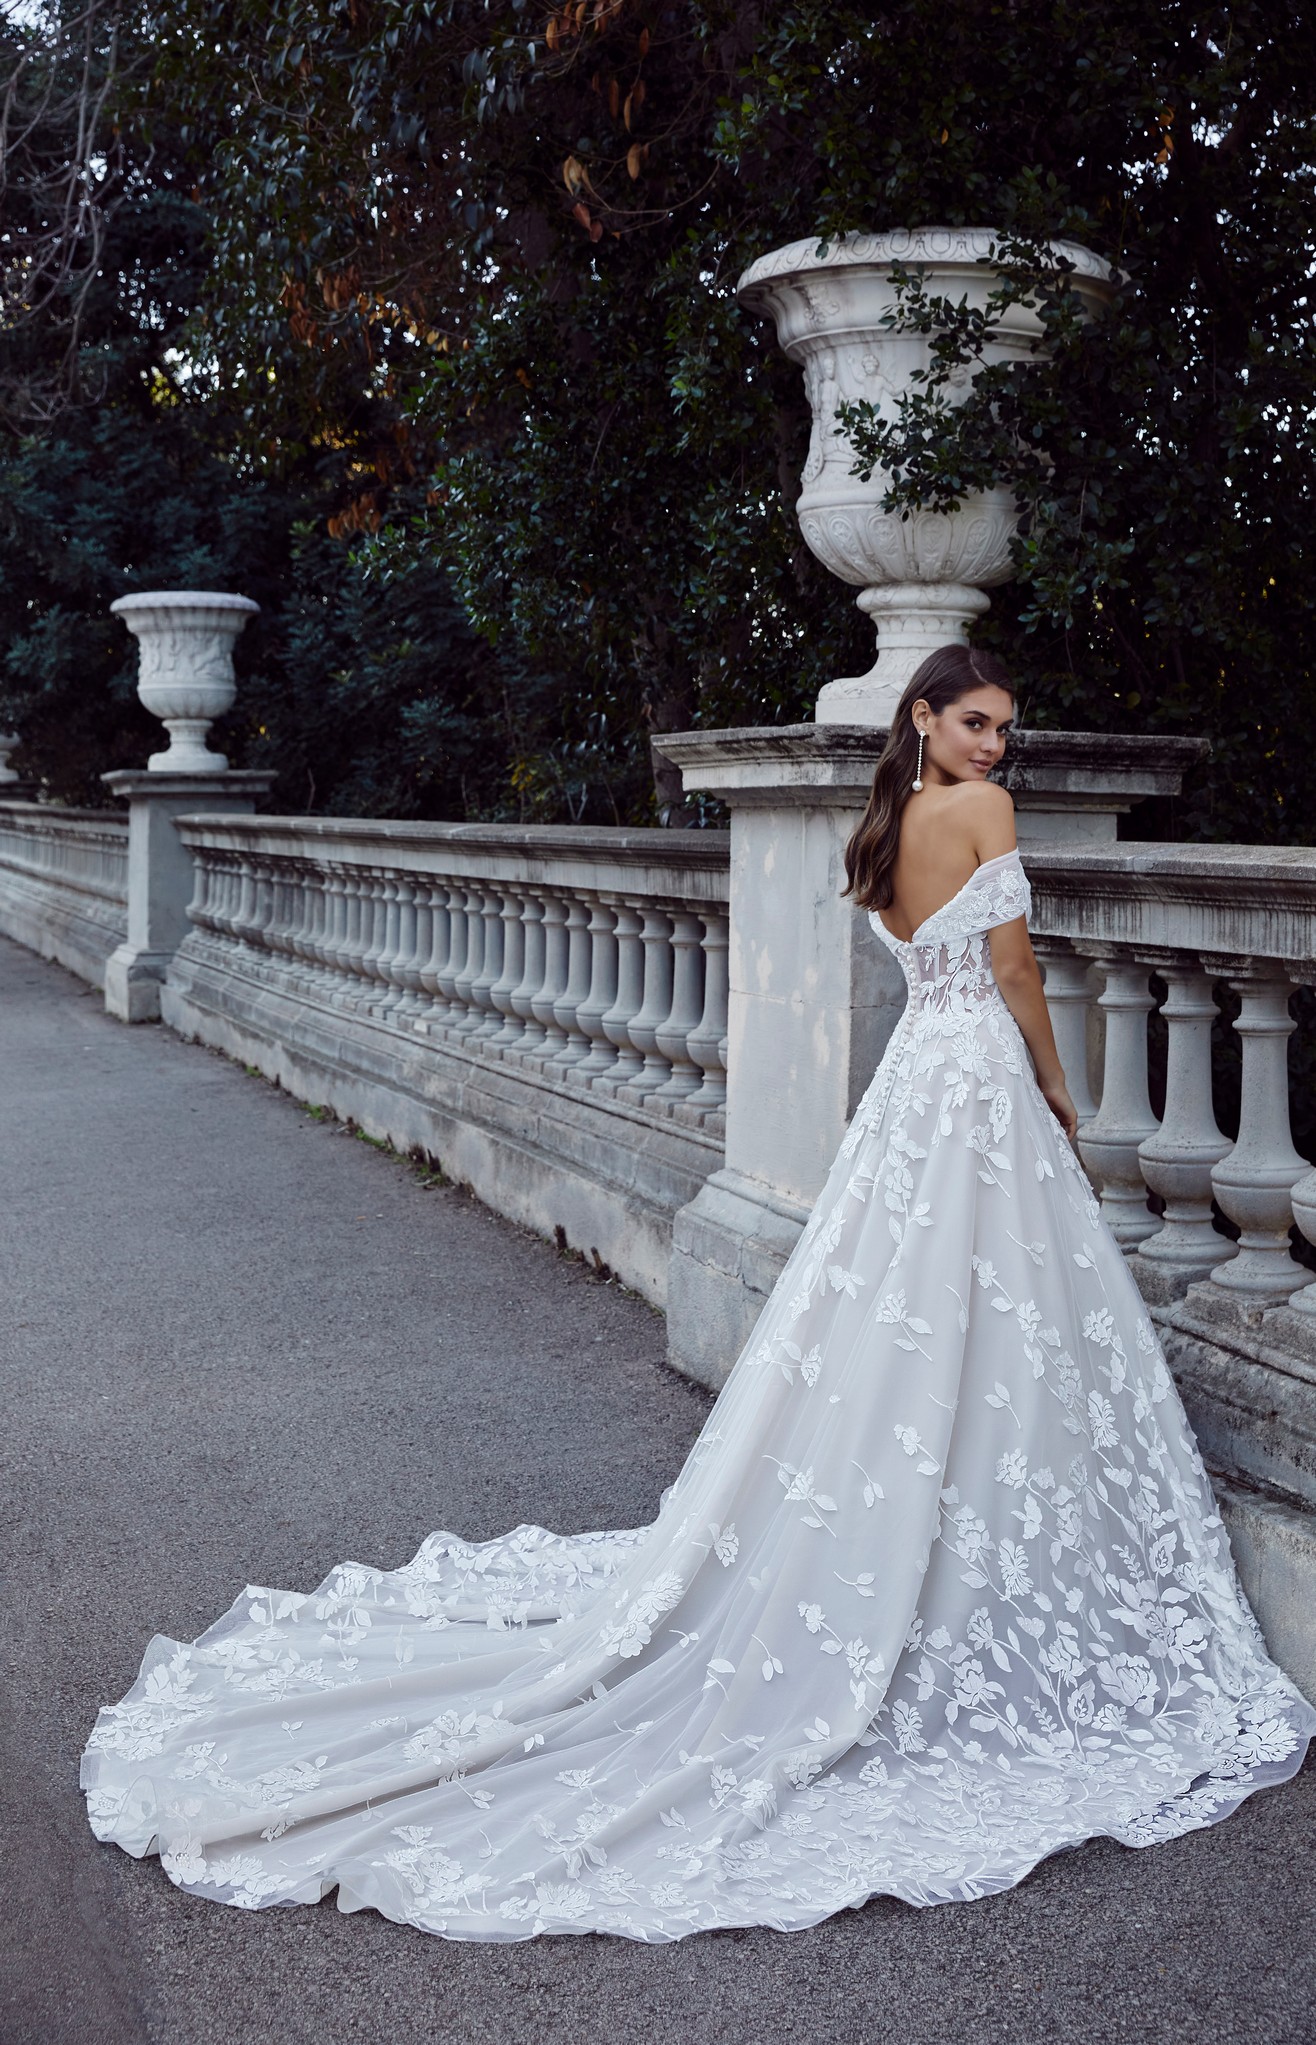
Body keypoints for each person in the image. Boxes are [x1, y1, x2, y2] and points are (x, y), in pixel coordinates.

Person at [82, 646, 1314, 1942]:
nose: (998, 745)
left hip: (911, 1092)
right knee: (993, 1315)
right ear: (925, 718)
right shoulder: (984, 815)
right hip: (980, 1087)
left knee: (899, 1318)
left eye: (1006, 727)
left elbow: (924, 954)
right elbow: (1012, 974)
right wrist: (1061, 1091)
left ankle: (921, 1531)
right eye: (976, 721)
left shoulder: (884, 822)